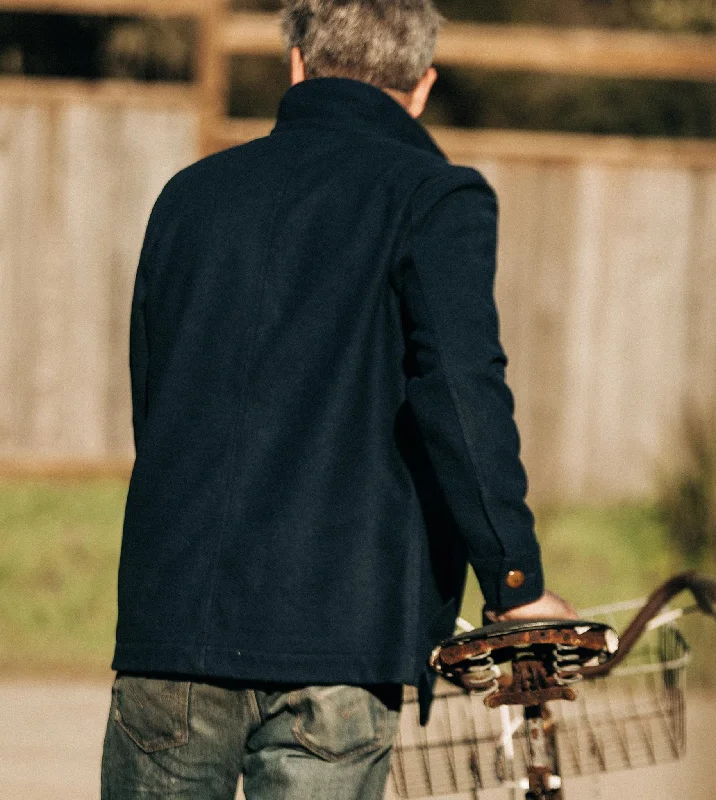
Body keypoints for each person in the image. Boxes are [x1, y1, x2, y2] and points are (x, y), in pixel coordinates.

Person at [101, 1, 577, 798]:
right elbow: (462, 395)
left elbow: (157, 405)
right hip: (340, 642)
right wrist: (516, 584)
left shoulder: (188, 195)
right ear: (422, 88)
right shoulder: (435, 199)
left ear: (296, 63)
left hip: (174, 625)